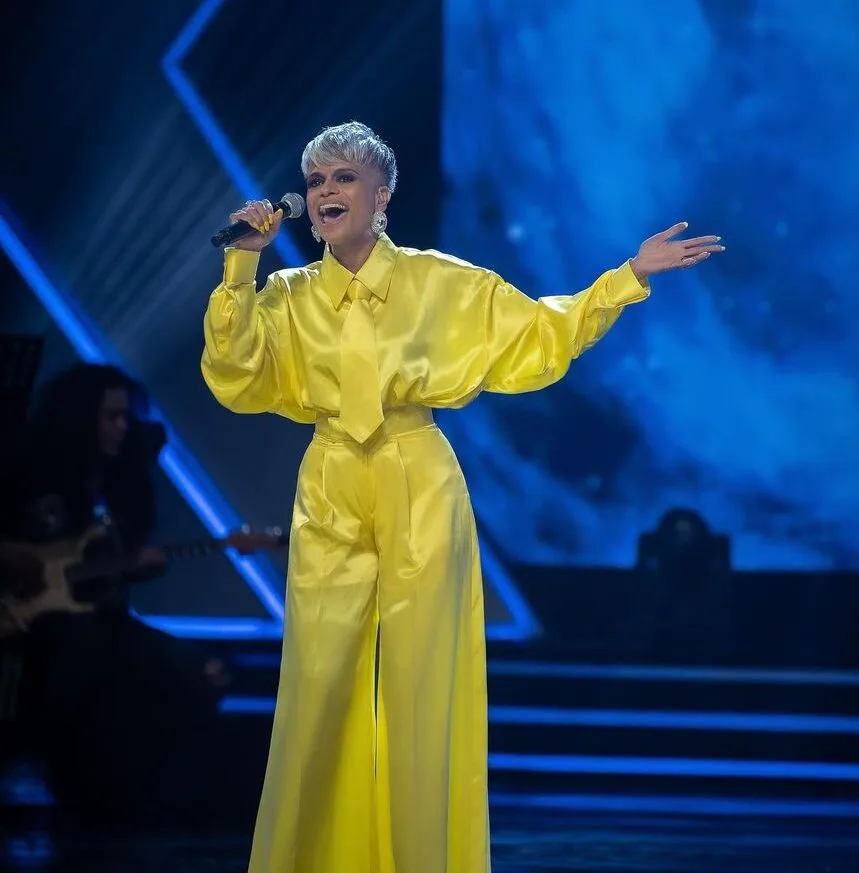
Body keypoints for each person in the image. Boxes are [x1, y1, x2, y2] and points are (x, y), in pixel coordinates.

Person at [200, 120, 724, 873]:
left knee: (423, 682)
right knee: (317, 679)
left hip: (417, 471)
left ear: (382, 194)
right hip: (330, 479)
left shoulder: (439, 281)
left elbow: (538, 333)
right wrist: (241, 266)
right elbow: (234, 370)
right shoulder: (285, 294)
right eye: (315, 181)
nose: (325, 193)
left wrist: (625, 277)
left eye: (344, 178)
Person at [0, 363, 225, 829]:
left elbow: (111, 569)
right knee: (78, 654)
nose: (123, 427)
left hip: (105, 619)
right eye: (111, 416)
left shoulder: (124, 482)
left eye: (126, 417)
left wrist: (135, 567)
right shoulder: (28, 469)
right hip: (38, 622)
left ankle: (135, 804)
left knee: (199, 673)